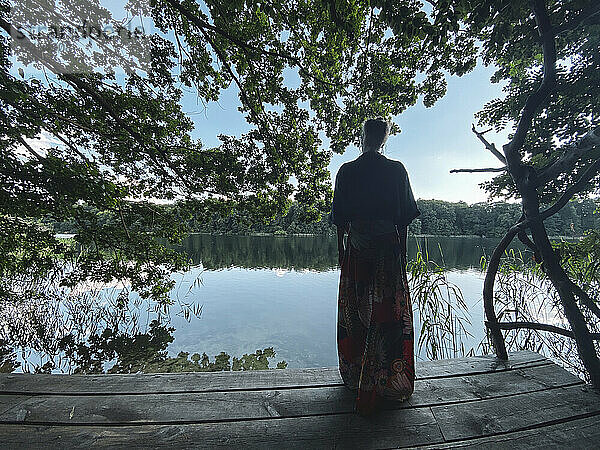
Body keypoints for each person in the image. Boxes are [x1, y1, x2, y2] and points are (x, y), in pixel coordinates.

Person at [329, 117, 420, 416]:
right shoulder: (396, 170)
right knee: (388, 315)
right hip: (386, 250)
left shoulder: (346, 171)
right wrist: (402, 253)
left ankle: (357, 377)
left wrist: (342, 249)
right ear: (384, 140)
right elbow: (402, 219)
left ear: (363, 137)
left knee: (356, 312)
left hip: (357, 249)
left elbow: (340, 219)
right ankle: (388, 378)